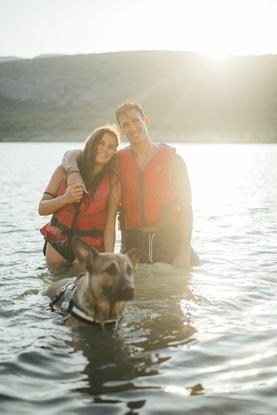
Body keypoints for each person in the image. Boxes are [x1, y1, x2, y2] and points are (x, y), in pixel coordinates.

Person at [62, 102, 199, 268]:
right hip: (134, 246)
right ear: (121, 130)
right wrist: (73, 173)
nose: (132, 128)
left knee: (173, 292)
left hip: (170, 243)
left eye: (136, 121)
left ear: (145, 121)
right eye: (126, 125)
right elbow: (73, 154)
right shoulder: (117, 160)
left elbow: (187, 209)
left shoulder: (174, 161)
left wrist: (183, 251)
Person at [38, 125, 121, 266]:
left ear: (114, 152)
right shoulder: (63, 171)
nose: (105, 149)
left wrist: (109, 258)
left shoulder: (114, 182)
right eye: (101, 143)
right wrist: (65, 198)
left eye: (110, 147)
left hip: (88, 248)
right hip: (58, 243)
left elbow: (110, 224)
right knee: (54, 284)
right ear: (91, 144)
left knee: (82, 285)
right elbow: (42, 209)